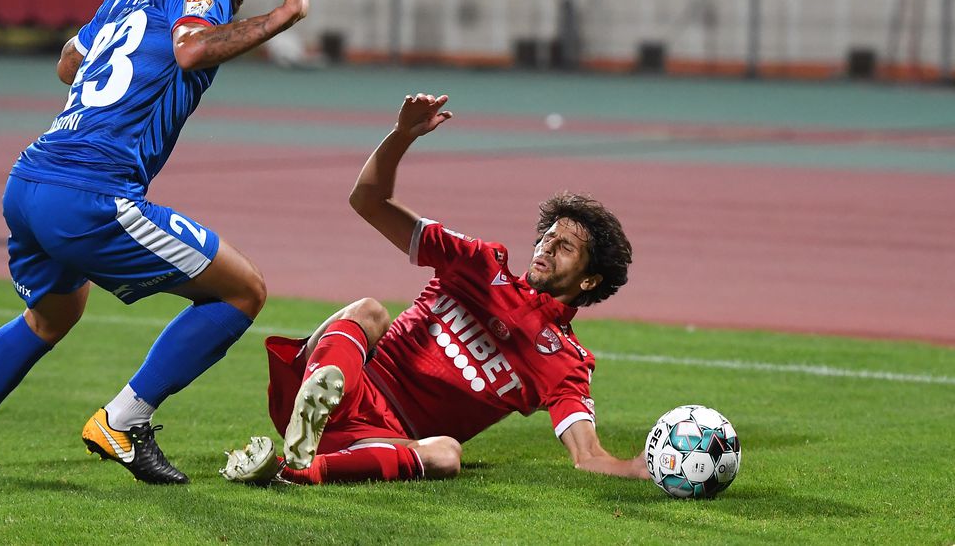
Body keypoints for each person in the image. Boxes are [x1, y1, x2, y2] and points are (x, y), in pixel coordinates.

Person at [0, 0, 310, 485]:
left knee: (52, 315)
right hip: (89, 193)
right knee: (243, 291)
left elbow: (68, 65)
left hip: (29, 180)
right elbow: (193, 51)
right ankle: (124, 419)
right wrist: (283, 15)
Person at [221, 93, 648, 485]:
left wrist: (644, 470)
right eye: (547, 237)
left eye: (565, 247)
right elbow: (368, 202)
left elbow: (588, 456)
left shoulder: (564, 362)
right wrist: (401, 136)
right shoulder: (479, 263)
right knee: (369, 311)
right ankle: (316, 402)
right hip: (352, 381)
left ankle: (300, 468)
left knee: (446, 454)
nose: (547, 247)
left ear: (589, 281)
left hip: (380, 438)